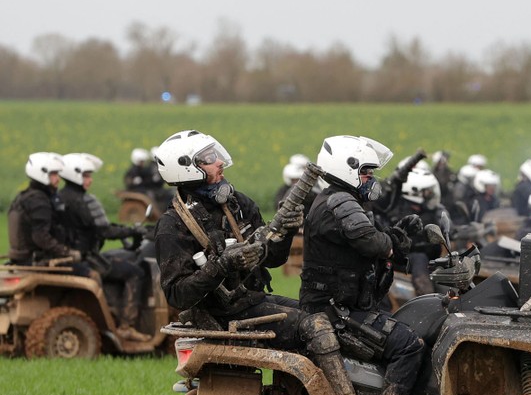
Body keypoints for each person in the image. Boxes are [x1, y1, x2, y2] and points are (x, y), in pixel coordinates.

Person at [299, 134, 430, 395]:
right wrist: (396, 238)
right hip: (334, 311)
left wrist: (398, 236)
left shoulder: (341, 200)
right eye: (366, 172)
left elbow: (376, 246)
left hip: (345, 305)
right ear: (347, 168)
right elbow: (374, 244)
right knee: (409, 345)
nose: (371, 179)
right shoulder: (339, 201)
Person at [153, 129, 313, 360]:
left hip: (252, 302)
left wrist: (286, 232)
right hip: (219, 315)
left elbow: (274, 259)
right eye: (208, 159)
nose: (219, 162)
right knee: (315, 328)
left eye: (215, 155)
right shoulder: (172, 225)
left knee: (320, 316)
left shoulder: (237, 204)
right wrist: (222, 266)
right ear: (186, 168)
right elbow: (178, 295)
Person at [57, 153, 153, 342]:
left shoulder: (58, 199)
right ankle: (127, 326)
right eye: (86, 175)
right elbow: (104, 230)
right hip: (87, 259)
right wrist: (131, 232)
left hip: (68, 257)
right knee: (135, 272)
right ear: (74, 174)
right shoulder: (85, 201)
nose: (90, 180)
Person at [7, 152, 86, 271]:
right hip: (37, 261)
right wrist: (67, 252)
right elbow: (41, 237)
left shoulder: (23, 197)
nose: (58, 179)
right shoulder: (39, 201)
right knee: (92, 274)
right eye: (53, 174)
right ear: (41, 173)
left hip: (21, 259)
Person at [391, 168, 449, 296]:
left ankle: (452, 300)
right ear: (415, 192)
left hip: (425, 258)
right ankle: (425, 295)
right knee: (420, 257)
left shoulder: (428, 211)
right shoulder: (399, 212)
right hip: (402, 258)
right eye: (427, 191)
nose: (431, 194)